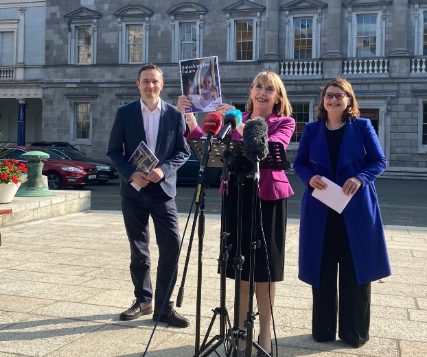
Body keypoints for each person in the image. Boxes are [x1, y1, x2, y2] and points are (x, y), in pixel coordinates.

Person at [178, 71, 295, 356]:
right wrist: (190, 117)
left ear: (277, 97)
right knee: (239, 269)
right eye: (258, 86)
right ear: (251, 90)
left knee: (264, 273)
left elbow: (267, 148)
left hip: (268, 199)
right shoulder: (233, 117)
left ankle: (264, 338)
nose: (262, 92)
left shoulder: (283, 121)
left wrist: (240, 122)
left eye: (269, 89)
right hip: (236, 198)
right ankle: (241, 337)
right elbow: (207, 144)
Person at [293, 77, 391, 347]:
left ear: (349, 100)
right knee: (323, 272)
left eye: (339, 95)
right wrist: (309, 178)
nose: (333, 100)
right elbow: (299, 163)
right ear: (323, 101)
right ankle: (322, 331)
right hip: (321, 210)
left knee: (355, 272)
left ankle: (354, 332)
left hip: (355, 209)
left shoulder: (362, 127)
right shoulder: (312, 130)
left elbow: (379, 160)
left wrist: (360, 177)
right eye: (329, 95)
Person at [107, 64, 191, 327]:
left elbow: (182, 151)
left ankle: (164, 306)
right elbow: (113, 151)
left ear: (162, 85)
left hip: (162, 192)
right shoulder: (125, 113)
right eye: (145, 81)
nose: (150, 86)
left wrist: (164, 170)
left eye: (155, 81)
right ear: (138, 84)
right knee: (139, 249)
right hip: (134, 191)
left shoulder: (174, 115)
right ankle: (143, 301)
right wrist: (132, 173)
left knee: (171, 247)